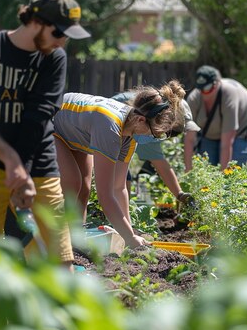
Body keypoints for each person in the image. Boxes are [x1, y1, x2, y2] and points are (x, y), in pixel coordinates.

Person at [0, 0, 91, 267]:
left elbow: (37, 117)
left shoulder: (54, 58)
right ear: (35, 22)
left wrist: (21, 171)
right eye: (59, 32)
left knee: (60, 257)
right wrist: (11, 166)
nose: (62, 41)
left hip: (39, 165)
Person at [53, 81, 186, 247]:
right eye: (153, 133)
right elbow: (105, 195)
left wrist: (129, 233)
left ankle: (76, 242)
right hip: (52, 123)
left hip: (76, 132)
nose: (152, 137)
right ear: (140, 120)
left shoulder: (130, 135)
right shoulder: (110, 128)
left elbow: (119, 187)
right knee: (73, 182)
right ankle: (57, 242)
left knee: (84, 188)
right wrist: (130, 238)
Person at [111, 92, 200, 204]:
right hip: (106, 130)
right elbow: (161, 165)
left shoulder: (154, 102)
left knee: (121, 182)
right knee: (120, 184)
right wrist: (179, 194)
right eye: (172, 132)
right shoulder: (149, 125)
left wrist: (180, 194)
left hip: (106, 127)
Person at [184, 65, 247, 171]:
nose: (204, 93)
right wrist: (188, 172)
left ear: (217, 83)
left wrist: (223, 179)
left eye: (208, 88)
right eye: (201, 88)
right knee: (206, 171)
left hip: (238, 133)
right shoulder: (194, 99)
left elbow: (227, 144)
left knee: (233, 175)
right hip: (210, 134)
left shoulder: (229, 96)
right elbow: (189, 139)